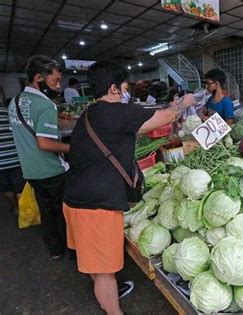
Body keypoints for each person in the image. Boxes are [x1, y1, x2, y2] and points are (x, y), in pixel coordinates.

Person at [63, 61, 195, 315]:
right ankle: (113, 308)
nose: (126, 93)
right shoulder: (116, 112)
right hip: (95, 208)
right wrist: (184, 102)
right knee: (104, 272)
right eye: (124, 88)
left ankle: (106, 291)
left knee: (95, 265)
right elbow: (166, 116)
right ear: (113, 88)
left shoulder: (89, 114)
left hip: (75, 199)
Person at [8, 55, 70, 260]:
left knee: (46, 211)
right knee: (63, 212)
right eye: (55, 80)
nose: (59, 86)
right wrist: (72, 148)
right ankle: (71, 250)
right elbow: (44, 143)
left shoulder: (14, 103)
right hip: (51, 169)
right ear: (39, 78)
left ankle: (55, 251)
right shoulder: (45, 106)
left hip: (30, 170)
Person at [0, 101, 25, 216]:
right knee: (19, 186)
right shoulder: (8, 112)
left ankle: (15, 209)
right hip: (15, 156)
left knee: (6, 187)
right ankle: (24, 211)